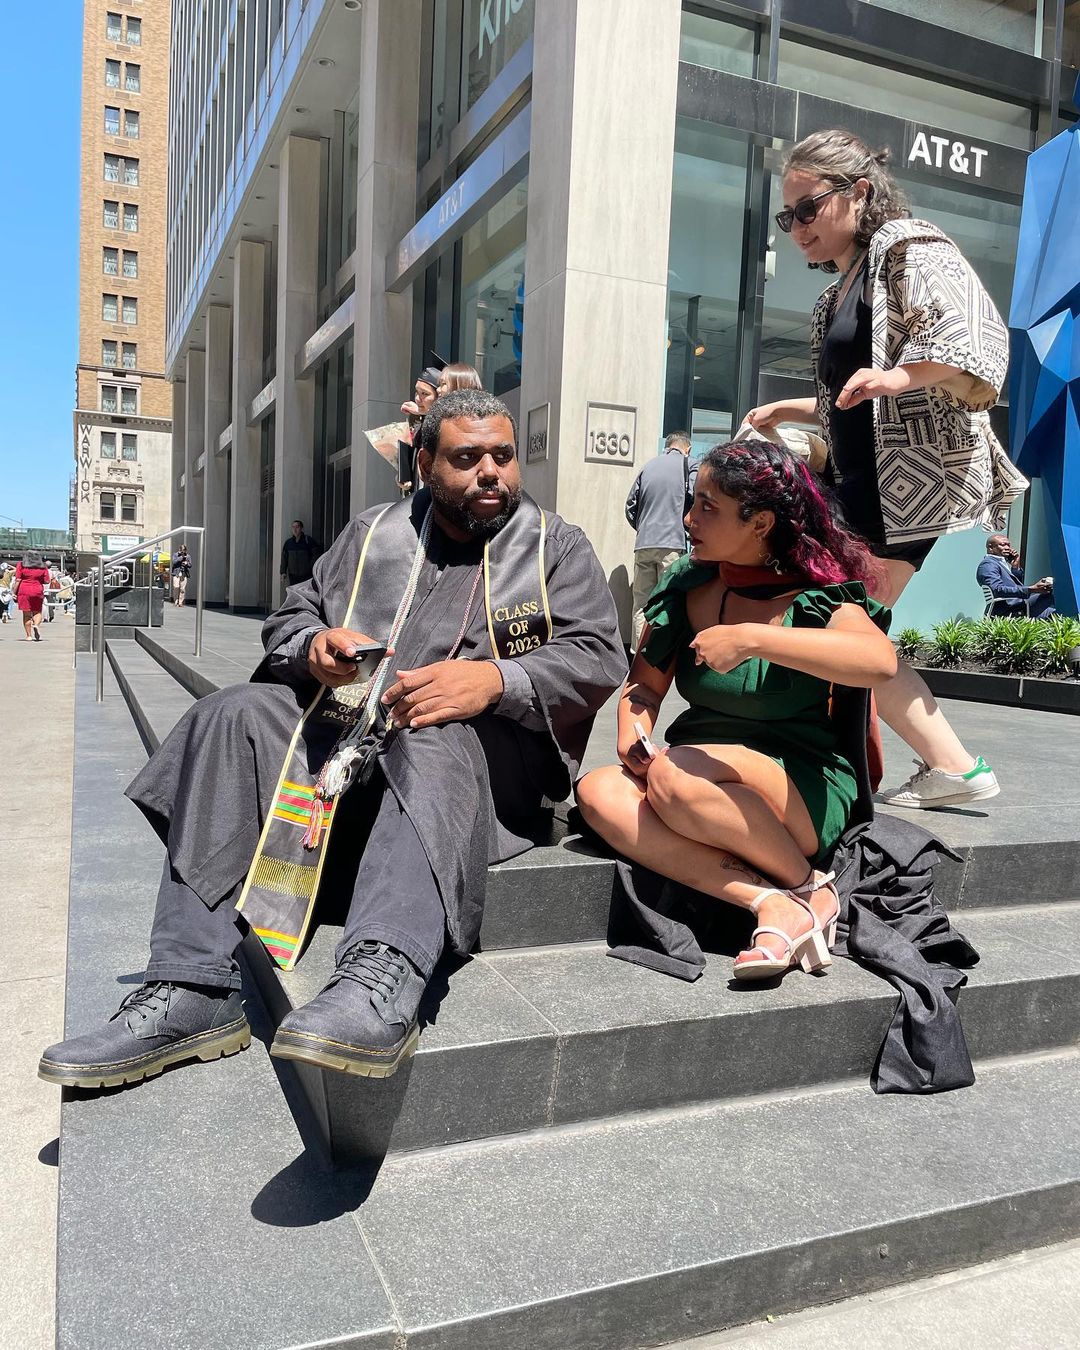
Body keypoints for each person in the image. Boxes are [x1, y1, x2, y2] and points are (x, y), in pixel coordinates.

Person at [39, 390, 626, 1091]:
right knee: (232, 713)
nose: (492, 472)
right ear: (426, 463)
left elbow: (596, 656)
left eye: (502, 455)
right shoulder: (374, 532)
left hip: (473, 771)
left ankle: (377, 979)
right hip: (345, 745)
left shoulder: (554, 546)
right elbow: (295, 615)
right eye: (468, 458)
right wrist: (312, 646)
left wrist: (495, 682)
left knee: (431, 730)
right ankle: (192, 985)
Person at [745, 129, 1026, 809]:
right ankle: (940, 765)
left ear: (858, 192)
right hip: (863, 486)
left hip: (906, 489)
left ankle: (943, 764)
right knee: (842, 624)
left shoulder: (909, 248)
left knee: (837, 623)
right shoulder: (836, 293)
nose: (797, 228)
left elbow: (974, 341)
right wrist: (790, 409)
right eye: (788, 217)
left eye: (807, 210)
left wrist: (900, 375)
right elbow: (848, 399)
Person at [577, 439, 896, 981]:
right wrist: (633, 734)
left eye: (708, 507)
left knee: (676, 778)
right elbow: (644, 687)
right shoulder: (688, 585)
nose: (688, 518)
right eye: (693, 501)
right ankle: (777, 900)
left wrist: (753, 639)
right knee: (597, 791)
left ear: (761, 522)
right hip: (697, 772)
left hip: (800, 777)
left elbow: (879, 662)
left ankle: (808, 885)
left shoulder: (819, 596)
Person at [625, 432, 695, 650]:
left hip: (644, 543)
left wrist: (644, 528)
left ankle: (638, 654)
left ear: (667, 446)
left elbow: (630, 506)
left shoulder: (648, 466)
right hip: (672, 543)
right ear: (687, 448)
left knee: (641, 604)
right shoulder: (689, 464)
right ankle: (662, 655)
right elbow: (696, 498)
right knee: (668, 601)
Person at [977, 535, 1056, 619]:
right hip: (1010, 609)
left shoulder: (999, 563)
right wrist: (1031, 589)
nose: (1007, 547)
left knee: (1057, 613)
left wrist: (1015, 566)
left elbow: (1015, 585)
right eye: (1003, 545)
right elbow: (997, 589)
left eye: (1008, 545)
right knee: (1056, 590)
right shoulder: (988, 565)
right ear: (990, 548)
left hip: (1020, 604)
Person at [398, 365, 443, 493]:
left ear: (439, 396)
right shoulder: (417, 423)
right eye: (417, 392)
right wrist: (404, 477)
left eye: (424, 394)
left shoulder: (444, 427)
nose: (418, 399)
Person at [15, 550, 51, 641]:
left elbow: (18, 580)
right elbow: (47, 580)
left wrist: (13, 592)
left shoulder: (21, 564)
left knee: (26, 614)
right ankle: (36, 625)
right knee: (37, 611)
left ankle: (29, 636)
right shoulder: (43, 566)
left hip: (24, 590)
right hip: (37, 590)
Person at [279, 520, 321, 589]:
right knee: (294, 594)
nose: (295, 529)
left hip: (306, 575)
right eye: (293, 527)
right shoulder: (288, 543)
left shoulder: (308, 541)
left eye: (297, 527)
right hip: (293, 575)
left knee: (305, 594)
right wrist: (283, 572)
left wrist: (310, 567)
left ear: (301, 528)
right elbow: (284, 558)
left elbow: (316, 555)